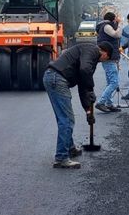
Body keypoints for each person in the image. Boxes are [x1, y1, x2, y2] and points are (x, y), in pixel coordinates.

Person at [43, 41, 113, 169]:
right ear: (104, 53)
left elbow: (82, 86)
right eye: (105, 59)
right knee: (67, 119)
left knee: (63, 118)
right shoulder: (92, 50)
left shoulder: (89, 56)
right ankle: (61, 158)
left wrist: (88, 111)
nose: (102, 62)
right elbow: (85, 70)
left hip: (53, 77)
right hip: (57, 78)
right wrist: (91, 88)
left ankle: (70, 149)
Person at [95, 12, 122, 113]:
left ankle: (109, 104)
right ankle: (101, 102)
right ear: (113, 19)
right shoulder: (106, 26)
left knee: (109, 82)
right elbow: (116, 35)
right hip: (109, 58)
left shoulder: (106, 26)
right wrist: (120, 24)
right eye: (115, 19)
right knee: (114, 83)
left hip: (110, 57)